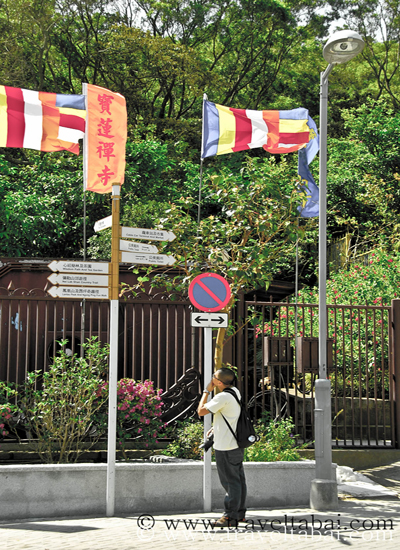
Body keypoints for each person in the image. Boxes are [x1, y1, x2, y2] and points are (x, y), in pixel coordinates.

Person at [197, 367, 247, 528]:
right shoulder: (234, 392)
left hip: (225, 446)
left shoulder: (223, 397)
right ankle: (239, 514)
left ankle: (229, 517)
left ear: (219, 382)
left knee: (230, 482)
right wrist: (216, 427)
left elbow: (201, 411)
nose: (212, 379)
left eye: (214, 377)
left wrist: (206, 391)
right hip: (236, 445)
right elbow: (229, 414)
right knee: (239, 481)